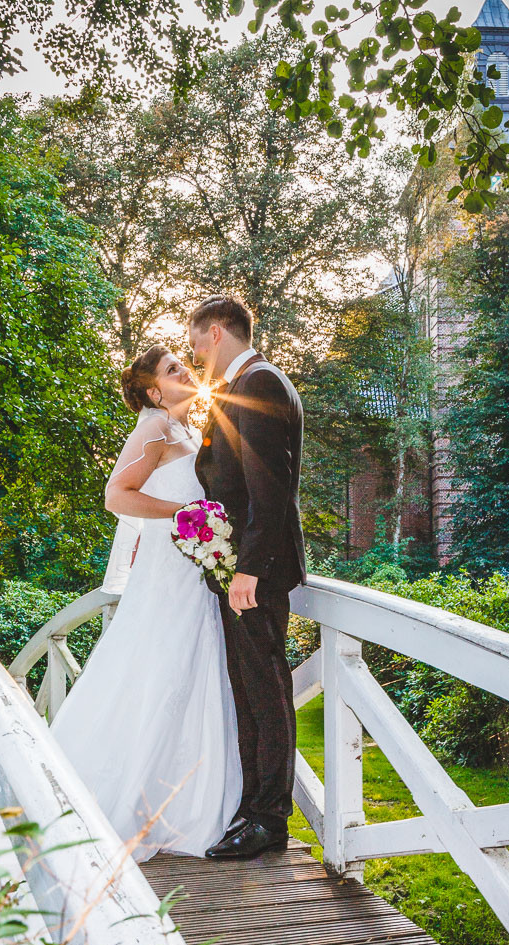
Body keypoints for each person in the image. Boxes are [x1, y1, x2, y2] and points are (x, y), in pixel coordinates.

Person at [50, 344, 241, 863]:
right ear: (155, 391)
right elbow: (117, 495)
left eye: (184, 363)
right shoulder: (154, 427)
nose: (187, 371)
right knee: (157, 672)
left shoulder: (184, 429)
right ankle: (125, 796)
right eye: (174, 369)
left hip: (192, 572)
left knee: (192, 672)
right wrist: (186, 512)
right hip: (166, 574)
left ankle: (180, 801)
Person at [189, 295, 307, 860]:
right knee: (247, 689)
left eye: (196, 345)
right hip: (238, 569)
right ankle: (250, 805)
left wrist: (249, 570)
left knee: (265, 688)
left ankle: (269, 819)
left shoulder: (258, 383)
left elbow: (270, 489)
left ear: (215, 332)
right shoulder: (247, 383)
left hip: (254, 573)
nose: (195, 357)